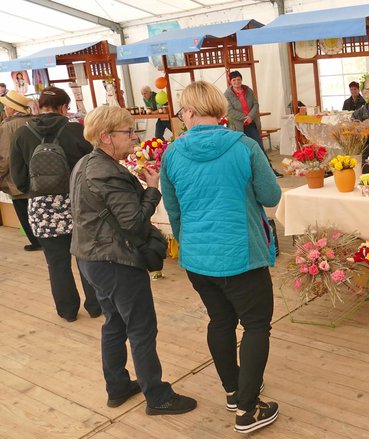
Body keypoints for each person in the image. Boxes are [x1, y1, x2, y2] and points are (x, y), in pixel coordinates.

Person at [161, 81, 281, 434]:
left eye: (182, 110)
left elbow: (173, 210)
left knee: (220, 321)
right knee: (256, 325)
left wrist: (191, 244)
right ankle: (247, 409)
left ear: (191, 113)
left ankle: (234, 392)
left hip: (198, 257)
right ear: (220, 109)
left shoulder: (172, 154)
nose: (181, 116)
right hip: (241, 254)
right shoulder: (244, 146)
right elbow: (271, 194)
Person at [70, 105, 197, 415]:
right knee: (141, 327)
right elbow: (134, 223)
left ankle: (117, 386)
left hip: (91, 258)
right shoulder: (106, 171)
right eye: (128, 132)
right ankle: (157, 396)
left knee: (114, 323)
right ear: (106, 137)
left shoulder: (87, 164)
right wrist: (152, 190)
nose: (134, 137)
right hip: (115, 261)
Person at [10, 86, 101, 322]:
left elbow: (18, 178)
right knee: (86, 257)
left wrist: (37, 191)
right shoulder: (74, 130)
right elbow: (92, 167)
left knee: (56, 263)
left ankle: (67, 311)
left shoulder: (21, 134)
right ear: (63, 107)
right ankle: (95, 306)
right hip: (77, 204)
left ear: (39, 106)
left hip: (41, 209)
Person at [0, 90, 41, 251]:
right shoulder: (34, 121)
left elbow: (5, 156)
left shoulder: (7, 126)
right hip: (39, 175)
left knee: (24, 211)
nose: (4, 109)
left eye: (5, 106)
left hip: (17, 177)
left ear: (12, 108)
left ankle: (35, 241)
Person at [224, 71, 283, 178]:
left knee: (259, 147)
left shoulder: (248, 90)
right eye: (234, 80)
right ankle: (246, 174)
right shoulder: (227, 94)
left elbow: (255, 104)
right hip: (238, 127)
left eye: (238, 79)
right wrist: (244, 117)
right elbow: (229, 111)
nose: (237, 82)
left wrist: (250, 116)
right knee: (241, 150)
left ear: (241, 79)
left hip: (251, 124)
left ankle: (269, 171)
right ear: (230, 81)